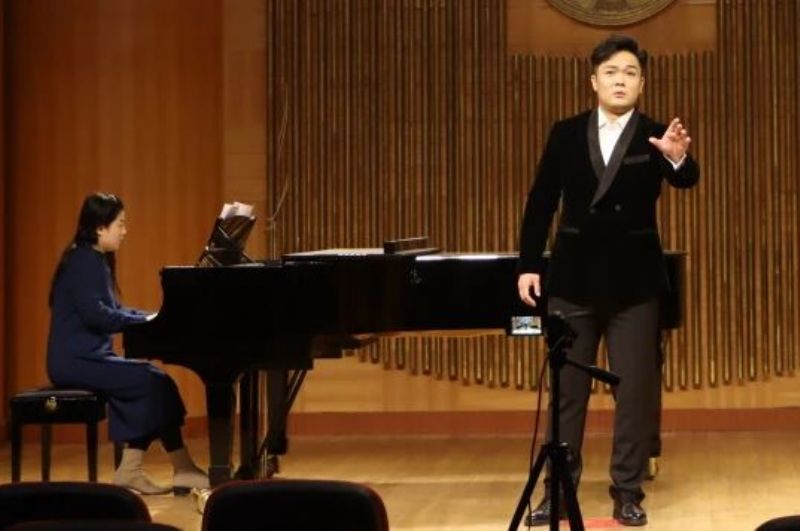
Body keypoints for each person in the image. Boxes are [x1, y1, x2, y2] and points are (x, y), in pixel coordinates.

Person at [517, 35, 699, 526]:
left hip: (634, 285)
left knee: (635, 391)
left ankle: (628, 490)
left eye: (630, 73)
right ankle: (558, 492)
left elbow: (687, 178)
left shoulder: (657, 134)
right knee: (567, 392)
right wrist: (529, 265)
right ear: (594, 80)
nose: (621, 80)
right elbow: (541, 200)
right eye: (612, 72)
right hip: (572, 280)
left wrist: (677, 159)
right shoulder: (565, 132)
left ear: (642, 83)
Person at [47, 192, 208, 495]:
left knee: (158, 381)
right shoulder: (84, 260)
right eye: (120, 224)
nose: (124, 231)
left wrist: (151, 317)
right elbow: (97, 316)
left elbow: (114, 310)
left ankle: (164, 469)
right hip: (76, 362)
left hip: (91, 357)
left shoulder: (93, 259)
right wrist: (145, 321)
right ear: (100, 228)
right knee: (151, 382)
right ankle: (158, 469)